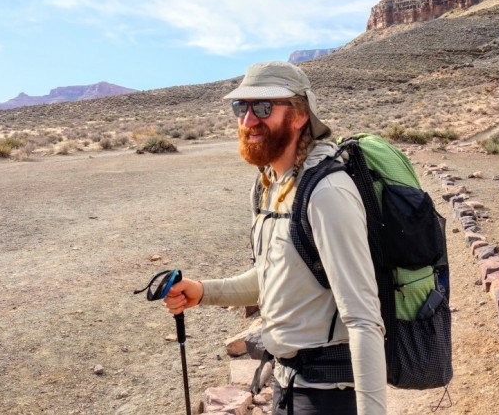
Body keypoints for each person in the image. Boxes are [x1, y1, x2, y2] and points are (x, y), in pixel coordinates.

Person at [163, 61, 387, 414]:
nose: (248, 120)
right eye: (242, 107)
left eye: (263, 107)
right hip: (287, 385)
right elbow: (276, 279)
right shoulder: (271, 185)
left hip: (327, 396)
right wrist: (203, 291)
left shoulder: (327, 192)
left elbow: (363, 318)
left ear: (299, 115)